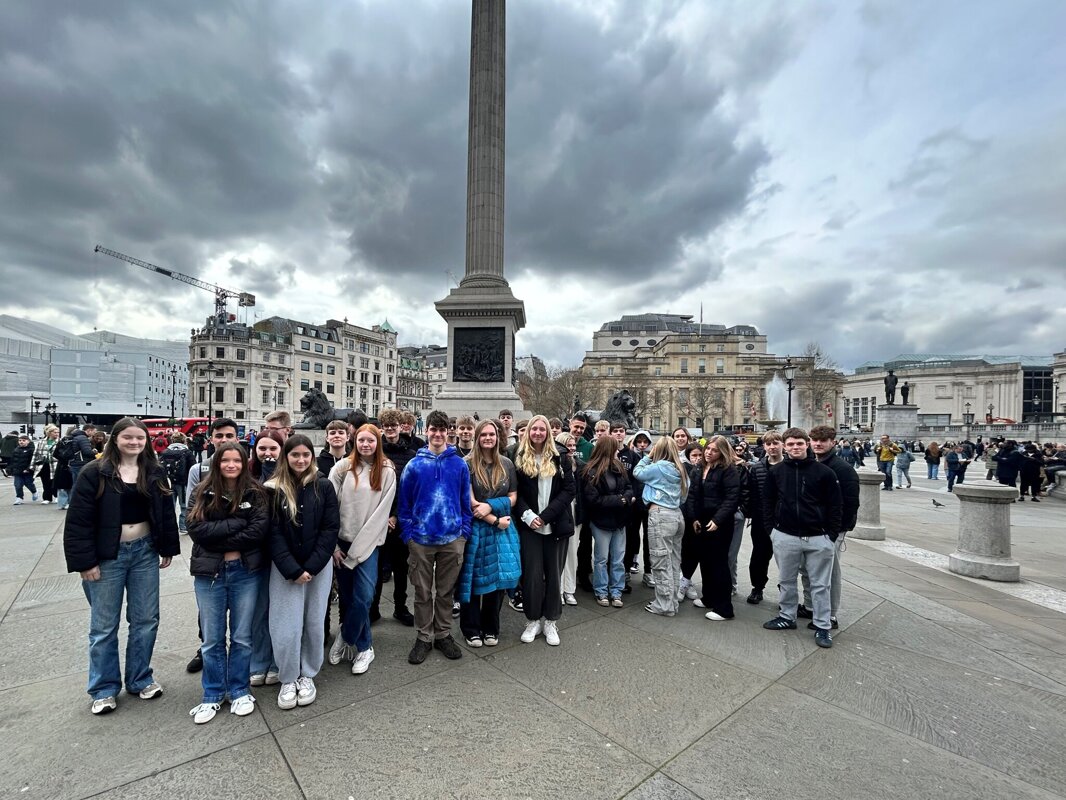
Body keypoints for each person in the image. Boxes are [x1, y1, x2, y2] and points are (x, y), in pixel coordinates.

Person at [62, 418, 179, 715]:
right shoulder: (95, 473)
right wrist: (85, 562)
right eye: (128, 437)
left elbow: (165, 512)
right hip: (107, 555)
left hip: (144, 552)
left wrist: (167, 547)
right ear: (115, 439)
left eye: (140, 438)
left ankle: (140, 678)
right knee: (104, 626)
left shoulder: (153, 471)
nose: (135, 443)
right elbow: (78, 521)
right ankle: (103, 688)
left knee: (146, 619)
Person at [185, 441, 269, 724]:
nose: (231, 465)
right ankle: (212, 693)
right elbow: (196, 529)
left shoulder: (255, 492)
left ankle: (239, 689)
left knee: (242, 636)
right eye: (225, 460)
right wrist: (237, 524)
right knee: (212, 638)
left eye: (236, 460)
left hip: (244, 571)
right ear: (217, 462)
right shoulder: (202, 491)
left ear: (244, 462)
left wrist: (218, 535)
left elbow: (257, 531)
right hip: (211, 573)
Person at [266, 435, 340, 709]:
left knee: (313, 623)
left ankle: (308, 674)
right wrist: (292, 569)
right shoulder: (273, 489)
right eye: (295, 455)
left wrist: (311, 566)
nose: (300, 460)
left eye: (305, 455)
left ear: (312, 456)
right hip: (285, 569)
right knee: (285, 626)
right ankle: (288, 677)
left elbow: (330, 528)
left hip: (317, 568)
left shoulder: (324, 486)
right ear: (286, 457)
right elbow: (272, 533)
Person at [397, 410, 472, 663]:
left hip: (452, 538)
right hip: (421, 540)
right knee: (422, 592)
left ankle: (443, 633)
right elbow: (404, 504)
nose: (438, 434)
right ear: (426, 431)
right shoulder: (414, 465)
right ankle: (423, 636)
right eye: (433, 429)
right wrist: (408, 535)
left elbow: (465, 501)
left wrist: (464, 533)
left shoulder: (459, 464)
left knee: (446, 592)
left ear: (447, 432)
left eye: (442, 430)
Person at [761, 427, 842, 648]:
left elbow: (836, 506)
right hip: (785, 534)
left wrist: (830, 536)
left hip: (818, 537)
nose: (795, 447)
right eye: (790, 444)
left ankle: (823, 626)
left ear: (807, 444)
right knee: (786, 581)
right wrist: (772, 531)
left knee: (820, 584)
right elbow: (767, 502)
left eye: (799, 443)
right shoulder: (776, 472)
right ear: (784, 447)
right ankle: (787, 616)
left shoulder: (824, 472)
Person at [328, 424, 397, 675]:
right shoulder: (341, 468)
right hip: (342, 543)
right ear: (354, 441)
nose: (365, 445)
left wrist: (359, 549)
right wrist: (334, 546)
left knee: (364, 597)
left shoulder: (387, 470)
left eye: (371, 441)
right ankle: (365, 646)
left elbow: (382, 512)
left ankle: (346, 636)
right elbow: (330, 508)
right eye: (361, 440)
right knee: (348, 597)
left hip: (368, 544)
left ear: (377, 443)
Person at [183, 418, 242, 674]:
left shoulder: (243, 467)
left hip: (240, 554)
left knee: (242, 615)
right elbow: (192, 517)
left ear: (237, 439)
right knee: (208, 612)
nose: (225, 440)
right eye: (219, 436)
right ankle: (205, 648)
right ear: (211, 439)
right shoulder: (198, 470)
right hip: (209, 554)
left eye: (230, 435)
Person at [456, 419, 521, 646]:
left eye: (491, 434)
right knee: (472, 578)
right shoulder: (466, 464)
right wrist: (494, 519)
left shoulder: (506, 463)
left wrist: (492, 507)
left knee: (497, 579)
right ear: (477, 437)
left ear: (497, 437)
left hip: (502, 527)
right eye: (483, 434)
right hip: (478, 527)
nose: (487, 438)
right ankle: (470, 627)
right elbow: (471, 502)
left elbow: (513, 496)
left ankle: (491, 627)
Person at [513, 414, 576, 645]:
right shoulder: (519, 457)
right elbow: (515, 492)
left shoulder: (561, 458)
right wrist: (528, 516)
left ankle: (551, 621)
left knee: (553, 576)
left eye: (542, 429)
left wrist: (546, 516)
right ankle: (532, 620)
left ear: (548, 432)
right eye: (534, 429)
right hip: (530, 527)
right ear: (528, 432)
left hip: (556, 525)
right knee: (531, 577)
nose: (538, 433)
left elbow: (569, 490)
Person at [799, 426, 860, 630]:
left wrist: (837, 532)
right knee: (808, 570)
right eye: (814, 440)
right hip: (811, 527)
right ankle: (810, 606)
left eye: (823, 440)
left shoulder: (843, 469)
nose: (818, 444)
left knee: (830, 573)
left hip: (830, 530)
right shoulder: (810, 463)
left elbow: (851, 503)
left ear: (833, 442)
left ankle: (831, 614)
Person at [247, 428, 285, 687]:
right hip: (255, 553)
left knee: (280, 610)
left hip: (281, 553)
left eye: (273, 448)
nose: (267, 453)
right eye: (262, 448)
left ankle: (278, 660)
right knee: (258, 611)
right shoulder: (247, 476)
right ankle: (259, 660)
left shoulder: (288, 476)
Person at [687, 436, 741, 621]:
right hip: (701, 521)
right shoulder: (699, 468)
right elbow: (692, 494)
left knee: (719, 564)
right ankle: (709, 597)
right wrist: (693, 517)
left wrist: (718, 520)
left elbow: (731, 498)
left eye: (714, 450)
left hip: (720, 523)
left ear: (722, 452)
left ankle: (724, 608)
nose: (709, 452)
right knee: (705, 562)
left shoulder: (728, 470)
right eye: (708, 448)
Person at [635, 436, 688, 617]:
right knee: (673, 561)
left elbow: (638, 472)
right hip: (676, 515)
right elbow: (683, 497)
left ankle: (664, 605)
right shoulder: (680, 469)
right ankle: (671, 602)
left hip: (660, 514)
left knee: (660, 561)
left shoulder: (658, 467)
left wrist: (649, 456)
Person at [375, 408, 418, 626]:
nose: (391, 430)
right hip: (377, 518)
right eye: (387, 426)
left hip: (400, 520)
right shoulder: (374, 452)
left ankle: (400, 607)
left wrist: (396, 516)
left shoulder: (410, 455)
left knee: (401, 568)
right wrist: (384, 516)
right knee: (377, 567)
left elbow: (409, 490)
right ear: (382, 428)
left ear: (401, 427)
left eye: (394, 426)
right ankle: (373, 609)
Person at [582, 435, 633, 608]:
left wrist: (623, 498)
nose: (619, 450)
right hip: (601, 521)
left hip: (619, 520)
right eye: (615, 447)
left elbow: (629, 487)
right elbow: (593, 500)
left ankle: (616, 591)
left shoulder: (619, 466)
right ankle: (602, 590)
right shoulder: (591, 470)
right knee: (601, 559)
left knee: (618, 558)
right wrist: (621, 500)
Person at [745, 431, 783, 605]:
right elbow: (751, 493)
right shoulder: (757, 468)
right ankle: (757, 587)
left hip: (784, 520)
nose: (772, 447)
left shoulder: (790, 466)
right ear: (764, 446)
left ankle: (785, 590)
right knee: (759, 556)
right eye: (769, 444)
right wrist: (749, 514)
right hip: (761, 520)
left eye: (776, 443)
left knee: (786, 560)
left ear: (782, 444)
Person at [618, 430, 651, 591]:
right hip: (634, 502)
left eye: (645, 442)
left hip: (649, 502)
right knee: (631, 536)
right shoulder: (631, 456)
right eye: (639, 442)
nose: (642, 444)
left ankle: (649, 571)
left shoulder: (652, 457)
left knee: (649, 538)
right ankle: (627, 566)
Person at [555, 432, 581, 606]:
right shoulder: (556, 464)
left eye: (573, 445)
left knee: (572, 552)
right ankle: (557, 589)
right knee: (558, 554)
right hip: (559, 510)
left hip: (574, 511)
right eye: (568, 446)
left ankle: (569, 589)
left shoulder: (580, 465)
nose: (571, 449)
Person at [160, 432, 196, 534]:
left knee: (170, 505)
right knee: (184, 505)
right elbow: (193, 467)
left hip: (168, 483)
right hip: (183, 483)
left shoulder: (165, 452)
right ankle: (183, 527)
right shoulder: (187, 452)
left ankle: (169, 527)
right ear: (184, 440)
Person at [33, 425, 60, 504]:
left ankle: (56, 496)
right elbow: (36, 453)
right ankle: (47, 498)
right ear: (49, 433)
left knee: (55, 481)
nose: (57, 434)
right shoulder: (41, 442)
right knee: (45, 482)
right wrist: (32, 466)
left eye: (58, 432)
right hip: (44, 464)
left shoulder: (60, 441)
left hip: (55, 464)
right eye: (55, 432)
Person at [9, 433, 39, 505]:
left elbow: (33, 461)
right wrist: (9, 468)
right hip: (17, 471)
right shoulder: (16, 450)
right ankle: (19, 498)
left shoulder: (31, 450)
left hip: (27, 471)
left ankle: (34, 491)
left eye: (23, 440)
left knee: (29, 483)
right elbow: (12, 460)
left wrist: (29, 469)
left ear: (28, 441)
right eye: (20, 440)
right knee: (18, 485)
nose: (21, 442)